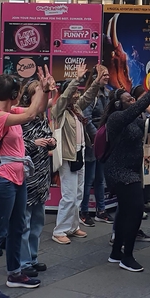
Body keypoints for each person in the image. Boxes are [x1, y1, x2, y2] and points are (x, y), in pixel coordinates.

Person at [0, 71, 51, 298]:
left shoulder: (10, 111)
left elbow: (38, 110)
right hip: (2, 179)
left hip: (17, 177)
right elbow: (31, 112)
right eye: (20, 92)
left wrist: (45, 89)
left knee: (17, 226)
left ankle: (14, 273)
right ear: (14, 95)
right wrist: (40, 88)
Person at [103, 87, 150, 272]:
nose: (132, 101)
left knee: (124, 212)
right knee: (136, 211)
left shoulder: (134, 121)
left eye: (133, 99)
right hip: (119, 171)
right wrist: (149, 95)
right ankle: (127, 256)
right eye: (129, 99)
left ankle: (116, 253)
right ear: (118, 104)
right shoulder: (116, 118)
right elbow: (134, 110)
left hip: (131, 170)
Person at [50, 62, 102, 245]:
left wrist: (96, 82)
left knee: (78, 194)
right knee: (69, 195)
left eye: (77, 92)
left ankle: (72, 226)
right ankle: (59, 231)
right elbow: (63, 97)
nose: (77, 94)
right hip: (68, 156)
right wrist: (76, 78)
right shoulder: (59, 110)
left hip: (80, 153)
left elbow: (88, 96)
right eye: (74, 92)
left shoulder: (76, 108)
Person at [19, 80, 55, 278]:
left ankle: (33, 257)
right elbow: (15, 147)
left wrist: (51, 142)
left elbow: (50, 138)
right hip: (26, 177)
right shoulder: (21, 117)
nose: (42, 96)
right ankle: (23, 262)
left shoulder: (42, 118)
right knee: (24, 222)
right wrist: (34, 143)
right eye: (38, 93)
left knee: (38, 222)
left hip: (42, 176)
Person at [81, 65, 111, 225]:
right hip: (92, 143)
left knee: (100, 179)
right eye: (103, 74)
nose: (106, 77)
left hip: (103, 141)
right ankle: (84, 211)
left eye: (107, 74)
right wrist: (97, 138)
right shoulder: (90, 96)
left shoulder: (107, 94)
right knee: (89, 179)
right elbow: (86, 121)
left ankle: (101, 210)